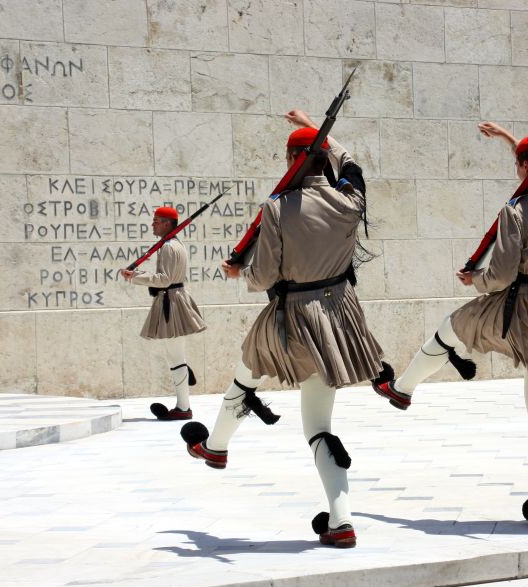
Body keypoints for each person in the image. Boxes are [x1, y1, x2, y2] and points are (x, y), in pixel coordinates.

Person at [374, 121, 528, 529]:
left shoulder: (516, 210)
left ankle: (404, 389)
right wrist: (508, 140)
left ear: (523, 167)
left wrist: (473, 280)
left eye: (517, 164)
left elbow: (500, 275)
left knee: (450, 326)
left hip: (522, 307)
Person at [180, 109, 386, 549]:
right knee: (319, 424)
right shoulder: (351, 199)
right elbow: (352, 165)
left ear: (293, 158)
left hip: (293, 315)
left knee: (246, 371)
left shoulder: (277, 208)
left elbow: (264, 276)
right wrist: (321, 133)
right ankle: (342, 520)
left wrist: (240, 272)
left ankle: (216, 446)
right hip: (341, 315)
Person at [121, 207, 206, 420]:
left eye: (157, 221)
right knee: (174, 354)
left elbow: (164, 279)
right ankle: (183, 393)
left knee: (175, 356)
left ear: (167, 224)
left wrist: (135, 276)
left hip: (172, 302)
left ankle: (183, 408)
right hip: (174, 299)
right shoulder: (175, 245)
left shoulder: (168, 247)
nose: (153, 225)